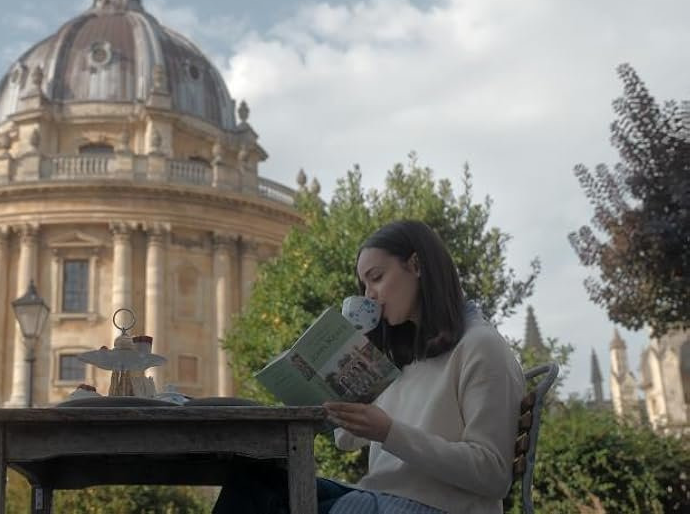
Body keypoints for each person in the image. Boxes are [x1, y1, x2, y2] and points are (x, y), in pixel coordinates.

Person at [212, 220, 525, 514]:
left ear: (417, 265)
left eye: (376, 278)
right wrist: (341, 394)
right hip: (380, 497)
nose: (369, 295)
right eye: (363, 285)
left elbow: (494, 473)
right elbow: (348, 441)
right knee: (251, 474)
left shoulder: (480, 346)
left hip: (433, 506)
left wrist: (389, 432)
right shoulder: (408, 356)